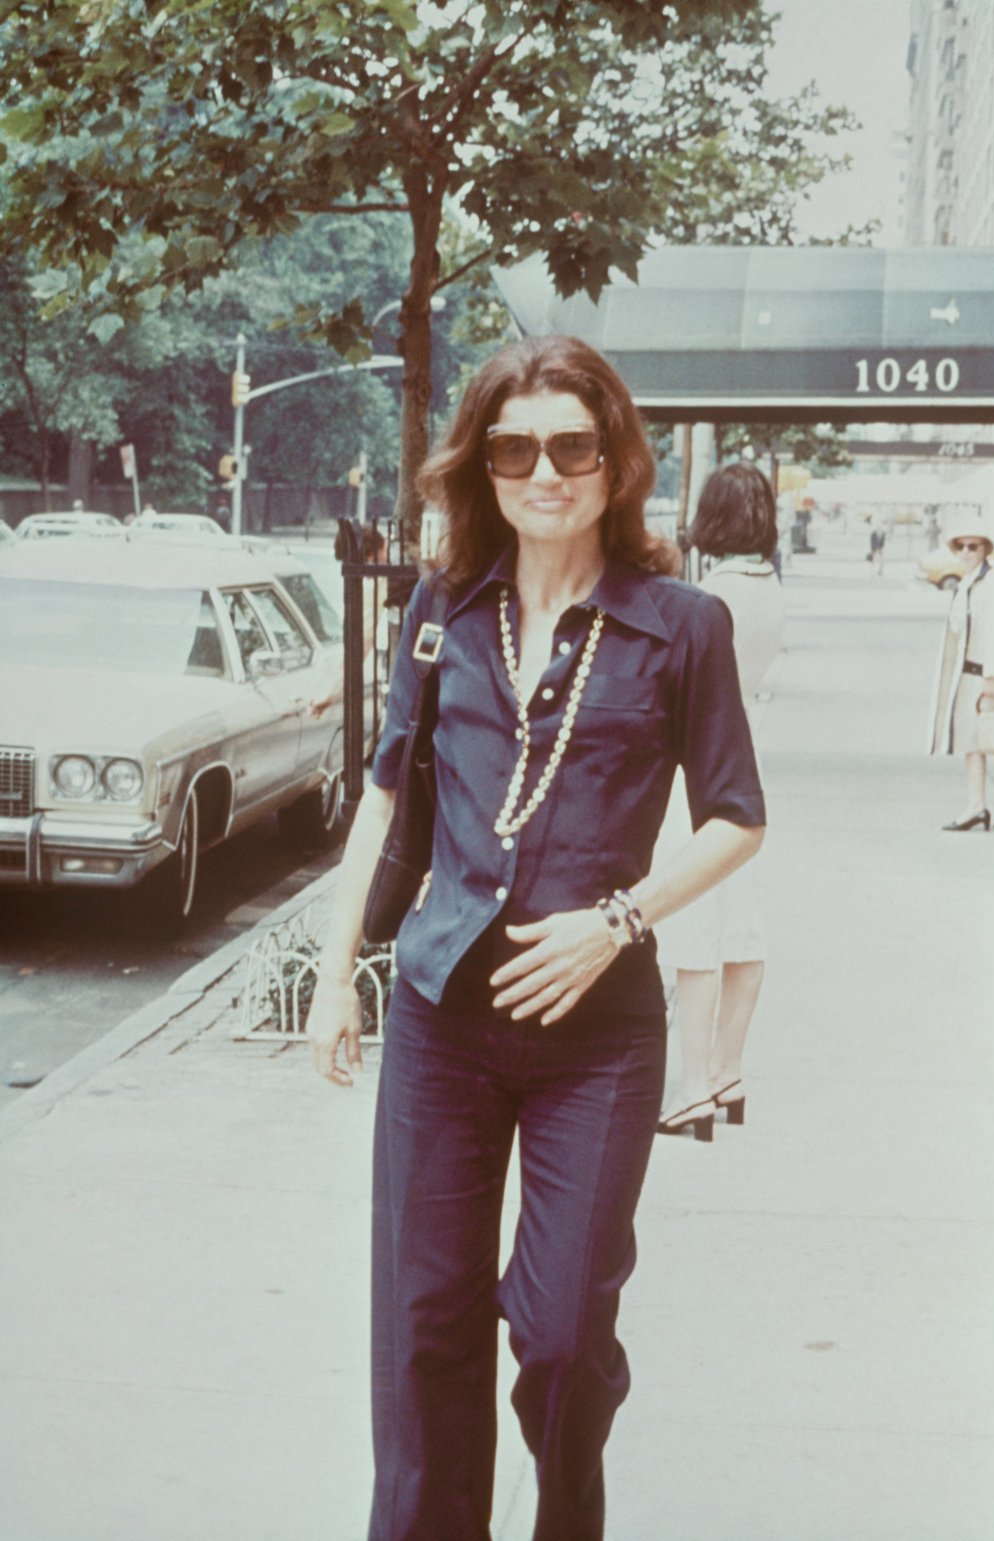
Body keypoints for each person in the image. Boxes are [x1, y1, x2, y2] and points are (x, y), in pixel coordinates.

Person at [304, 335, 766, 1541]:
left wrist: (618, 920)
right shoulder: (440, 614)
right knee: (424, 1322)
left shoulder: (682, 626)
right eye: (516, 447)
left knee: (559, 1333)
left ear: (615, 464)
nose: (543, 471)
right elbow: (390, 795)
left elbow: (736, 819)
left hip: (595, 1035)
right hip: (441, 1019)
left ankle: (567, 1516)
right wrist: (336, 969)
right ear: (484, 465)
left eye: (572, 445)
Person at [652, 464, 784, 1139]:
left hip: (691, 778)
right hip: (743, 768)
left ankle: (692, 1087)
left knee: (692, 931)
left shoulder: (710, 598)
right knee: (739, 921)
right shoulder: (769, 591)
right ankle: (729, 1071)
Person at [927, 521, 994, 830]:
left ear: (985, 549)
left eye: (973, 546)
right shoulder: (967, 582)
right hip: (969, 675)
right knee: (971, 741)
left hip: (989, 676)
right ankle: (976, 805)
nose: (966, 552)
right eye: (961, 546)